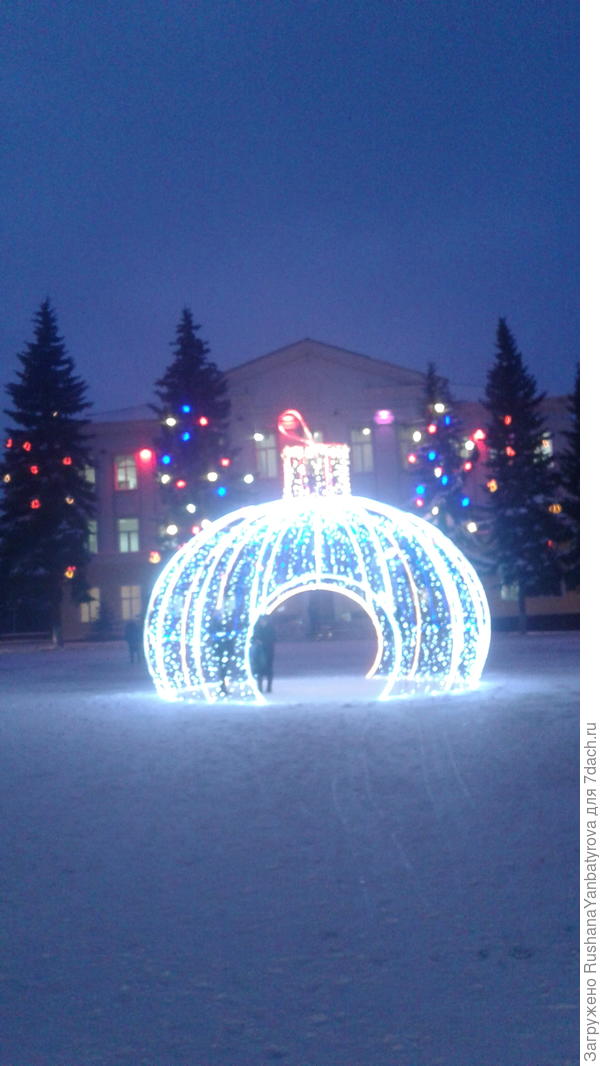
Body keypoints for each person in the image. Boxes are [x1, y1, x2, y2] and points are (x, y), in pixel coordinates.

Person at [252, 614, 276, 693]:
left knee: (268, 669)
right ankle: (260, 687)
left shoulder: (270, 628)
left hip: (268, 651)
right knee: (259, 670)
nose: (262, 622)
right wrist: (256, 641)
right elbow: (253, 638)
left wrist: (264, 642)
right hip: (259, 652)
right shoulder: (257, 628)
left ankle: (269, 687)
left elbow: (274, 638)